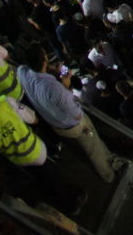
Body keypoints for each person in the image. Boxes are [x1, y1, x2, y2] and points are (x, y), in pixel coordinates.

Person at [16, 45, 117, 182]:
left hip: (57, 123)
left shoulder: (22, 72)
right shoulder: (54, 88)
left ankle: (109, 158)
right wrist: (66, 84)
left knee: (96, 144)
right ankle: (108, 175)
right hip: (74, 124)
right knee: (93, 149)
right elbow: (74, 112)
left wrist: (57, 72)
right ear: (44, 60)